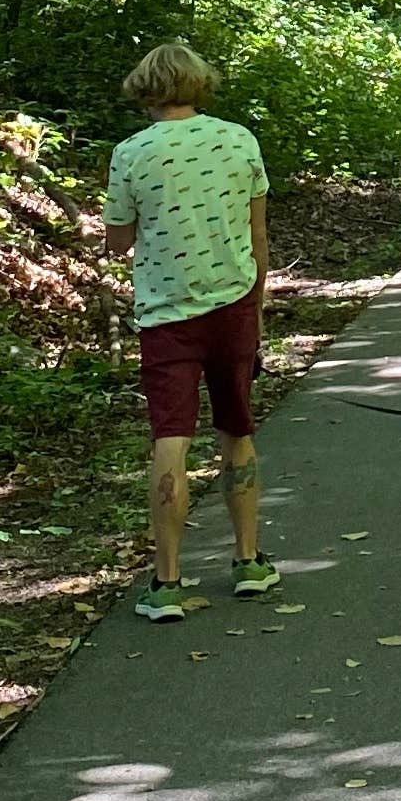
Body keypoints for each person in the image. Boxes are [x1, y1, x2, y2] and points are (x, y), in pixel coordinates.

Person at [103, 41, 280, 621]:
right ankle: (249, 562)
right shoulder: (239, 140)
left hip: (165, 315)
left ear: (144, 90)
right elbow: (258, 236)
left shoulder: (131, 153)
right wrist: (256, 306)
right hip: (233, 304)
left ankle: (167, 584)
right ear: (199, 84)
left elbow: (118, 240)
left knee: (170, 439)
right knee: (236, 427)